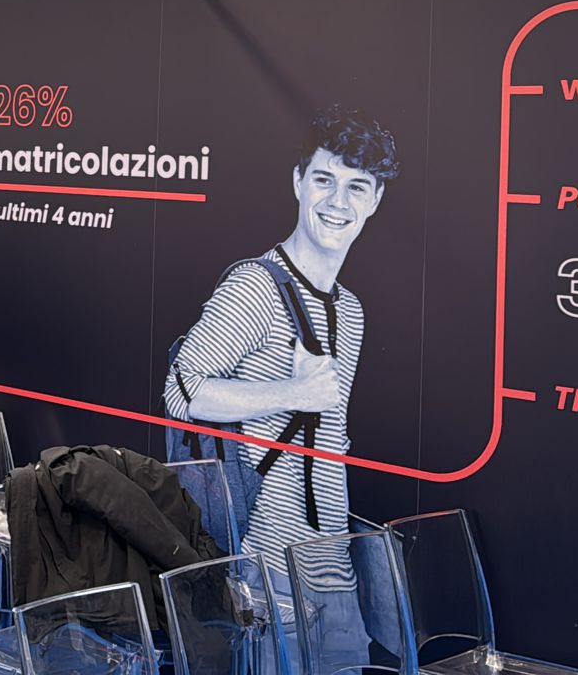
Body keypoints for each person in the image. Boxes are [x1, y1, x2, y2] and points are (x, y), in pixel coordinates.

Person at [162, 106, 401, 661]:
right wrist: (293, 393)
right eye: (324, 180)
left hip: (333, 569)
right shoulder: (256, 288)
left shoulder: (351, 310)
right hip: (265, 568)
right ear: (298, 181)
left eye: (356, 187)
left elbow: (327, 435)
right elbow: (181, 390)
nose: (337, 202)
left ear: (375, 200)